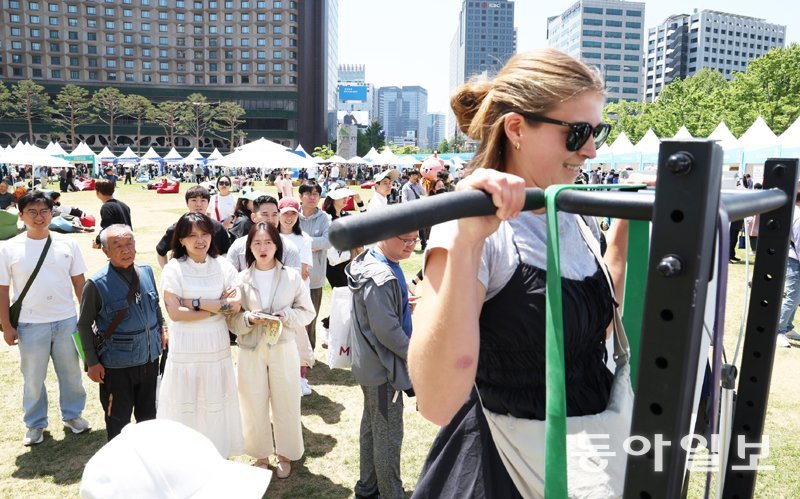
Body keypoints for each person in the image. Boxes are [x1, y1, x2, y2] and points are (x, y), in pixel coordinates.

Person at [409, 48, 627, 496]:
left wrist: (625, 230)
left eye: (597, 132)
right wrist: (467, 242)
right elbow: (436, 400)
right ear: (516, 129)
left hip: (585, 453)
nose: (589, 149)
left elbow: (592, 332)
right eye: (578, 132)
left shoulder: (573, 211)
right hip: (502, 466)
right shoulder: (471, 223)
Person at [0, 191, 91, 445]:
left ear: (52, 213)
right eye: (32, 212)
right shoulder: (9, 248)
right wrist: (7, 326)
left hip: (66, 320)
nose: (38, 217)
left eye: (44, 211)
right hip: (30, 324)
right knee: (32, 378)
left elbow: (79, 283)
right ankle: (35, 424)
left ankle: (73, 416)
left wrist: (85, 319)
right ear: (21, 215)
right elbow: (3, 290)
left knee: (71, 373)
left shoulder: (68, 244)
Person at [227, 223, 315, 477]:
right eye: (257, 243)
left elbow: (307, 312)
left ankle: (286, 454)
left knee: (286, 400)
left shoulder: (291, 276)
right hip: (250, 349)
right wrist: (248, 319)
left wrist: (286, 315)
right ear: (249, 247)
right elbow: (231, 320)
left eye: (268, 242)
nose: (263, 248)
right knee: (252, 402)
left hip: (283, 347)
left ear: (277, 245)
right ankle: (260, 455)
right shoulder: (240, 280)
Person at [157, 212, 244, 457]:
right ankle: (186, 456)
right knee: (187, 401)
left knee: (214, 398)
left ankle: (217, 452)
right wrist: (216, 307)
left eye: (204, 234)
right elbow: (175, 313)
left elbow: (235, 305)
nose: (200, 240)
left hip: (216, 344)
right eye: (192, 235)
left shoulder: (223, 266)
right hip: (186, 347)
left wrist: (195, 302)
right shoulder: (174, 269)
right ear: (181, 240)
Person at [77, 225, 166, 440]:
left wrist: (162, 327)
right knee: (118, 420)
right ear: (106, 251)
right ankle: (119, 468)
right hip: (117, 366)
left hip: (149, 359)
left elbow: (154, 305)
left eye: (130, 244)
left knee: (149, 417)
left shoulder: (145, 271)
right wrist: (92, 362)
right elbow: (83, 325)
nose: (126, 250)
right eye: (118, 245)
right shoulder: (96, 284)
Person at [346, 231, 418, 499]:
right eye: (405, 239)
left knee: (373, 427)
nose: (411, 245)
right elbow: (386, 331)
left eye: (415, 240)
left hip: (370, 366)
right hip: (383, 370)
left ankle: (368, 488)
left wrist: (400, 305)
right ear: (385, 236)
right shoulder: (381, 277)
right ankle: (390, 493)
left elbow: (381, 316)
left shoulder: (375, 262)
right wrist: (416, 355)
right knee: (387, 435)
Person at [156, 185, 232, 268]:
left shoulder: (218, 227)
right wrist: (167, 271)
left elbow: (226, 252)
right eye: (194, 200)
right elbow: (161, 251)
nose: (199, 204)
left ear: (208, 203)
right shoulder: (178, 228)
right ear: (187, 203)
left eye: (203, 200)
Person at [227, 195, 301, 272]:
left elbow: (294, 280)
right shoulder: (238, 247)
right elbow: (230, 280)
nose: (270, 219)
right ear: (253, 217)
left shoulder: (289, 248)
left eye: (274, 214)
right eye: (265, 215)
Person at [298, 181, 331, 351]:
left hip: (315, 276)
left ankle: (309, 352)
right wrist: (311, 244)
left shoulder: (324, 218)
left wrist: (302, 243)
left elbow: (328, 241)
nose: (312, 197)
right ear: (300, 196)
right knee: (294, 314)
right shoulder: (292, 216)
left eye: (316, 194)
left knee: (311, 315)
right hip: (295, 275)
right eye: (308, 193)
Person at [776, 189, 800, 347]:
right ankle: (778, 330)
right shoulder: (798, 216)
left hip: (794, 258)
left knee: (796, 296)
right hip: (794, 260)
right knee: (792, 296)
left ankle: (788, 326)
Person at [93, 178, 133, 248]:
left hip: (118, 243)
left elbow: (107, 227)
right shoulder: (124, 205)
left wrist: (97, 241)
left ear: (98, 192)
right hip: (129, 240)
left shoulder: (107, 207)